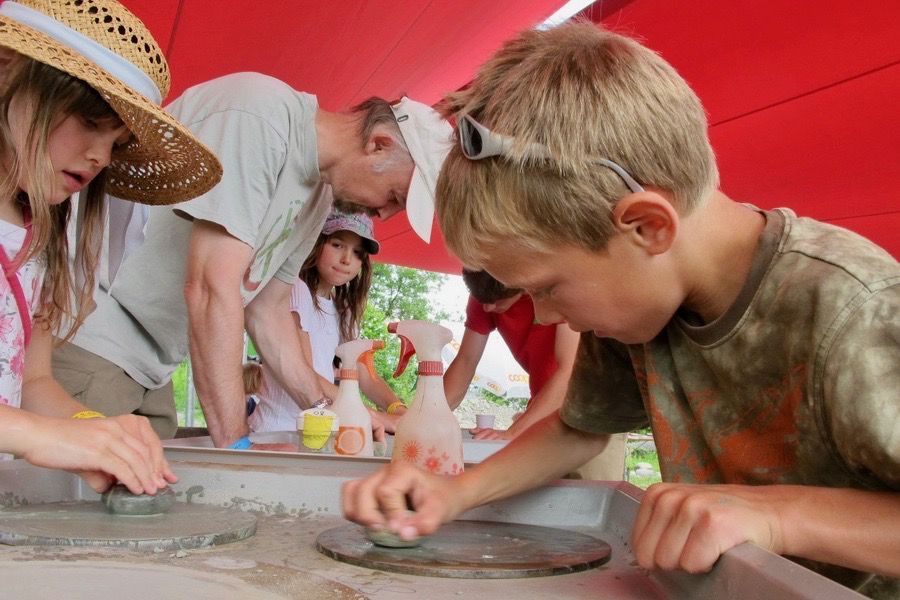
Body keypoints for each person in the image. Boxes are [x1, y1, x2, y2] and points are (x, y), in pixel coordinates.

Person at [341, 21, 899, 596]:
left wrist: (779, 516)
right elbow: (577, 429)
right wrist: (455, 492)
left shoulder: (853, 307)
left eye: (549, 287)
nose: (545, 317)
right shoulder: (641, 304)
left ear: (646, 226)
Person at [52, 68, 453, 448]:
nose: (383, 215)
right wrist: (236, 442)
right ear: (378, 143)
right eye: (395, 197)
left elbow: (269, 311)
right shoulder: (259, 114)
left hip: (153, 363)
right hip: (94, 335)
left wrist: (337, 408)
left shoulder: (319, 195)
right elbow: (211, 286)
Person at [0, 0, 222, 494]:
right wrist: (39, 436)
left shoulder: (41, 236)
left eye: (117, 143)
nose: (100, 155)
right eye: (89, 119)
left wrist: (90, 427)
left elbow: (33, 382)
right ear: (6, 71)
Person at [443, 268, 626, 480]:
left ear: (519, 283)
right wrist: (425, 415)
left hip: (596, 410)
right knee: (541, 502)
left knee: (589, 499)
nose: (488, 307)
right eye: (481, 300)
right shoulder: (486, 292)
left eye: (496, 300)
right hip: (544, 415)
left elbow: (569, 371)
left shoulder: (557, 289)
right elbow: (466, 361)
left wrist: (514, 433)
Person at [249, 209, 402, 432]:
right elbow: (306, 373)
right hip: (280, 430)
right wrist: (371, 415)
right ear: (315, 242)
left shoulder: (343, 309)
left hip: (318, 428)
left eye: (357, 252)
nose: (346, 259)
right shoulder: (294, 290)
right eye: (337, 244)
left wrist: (397, 409)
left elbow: (362, 371)